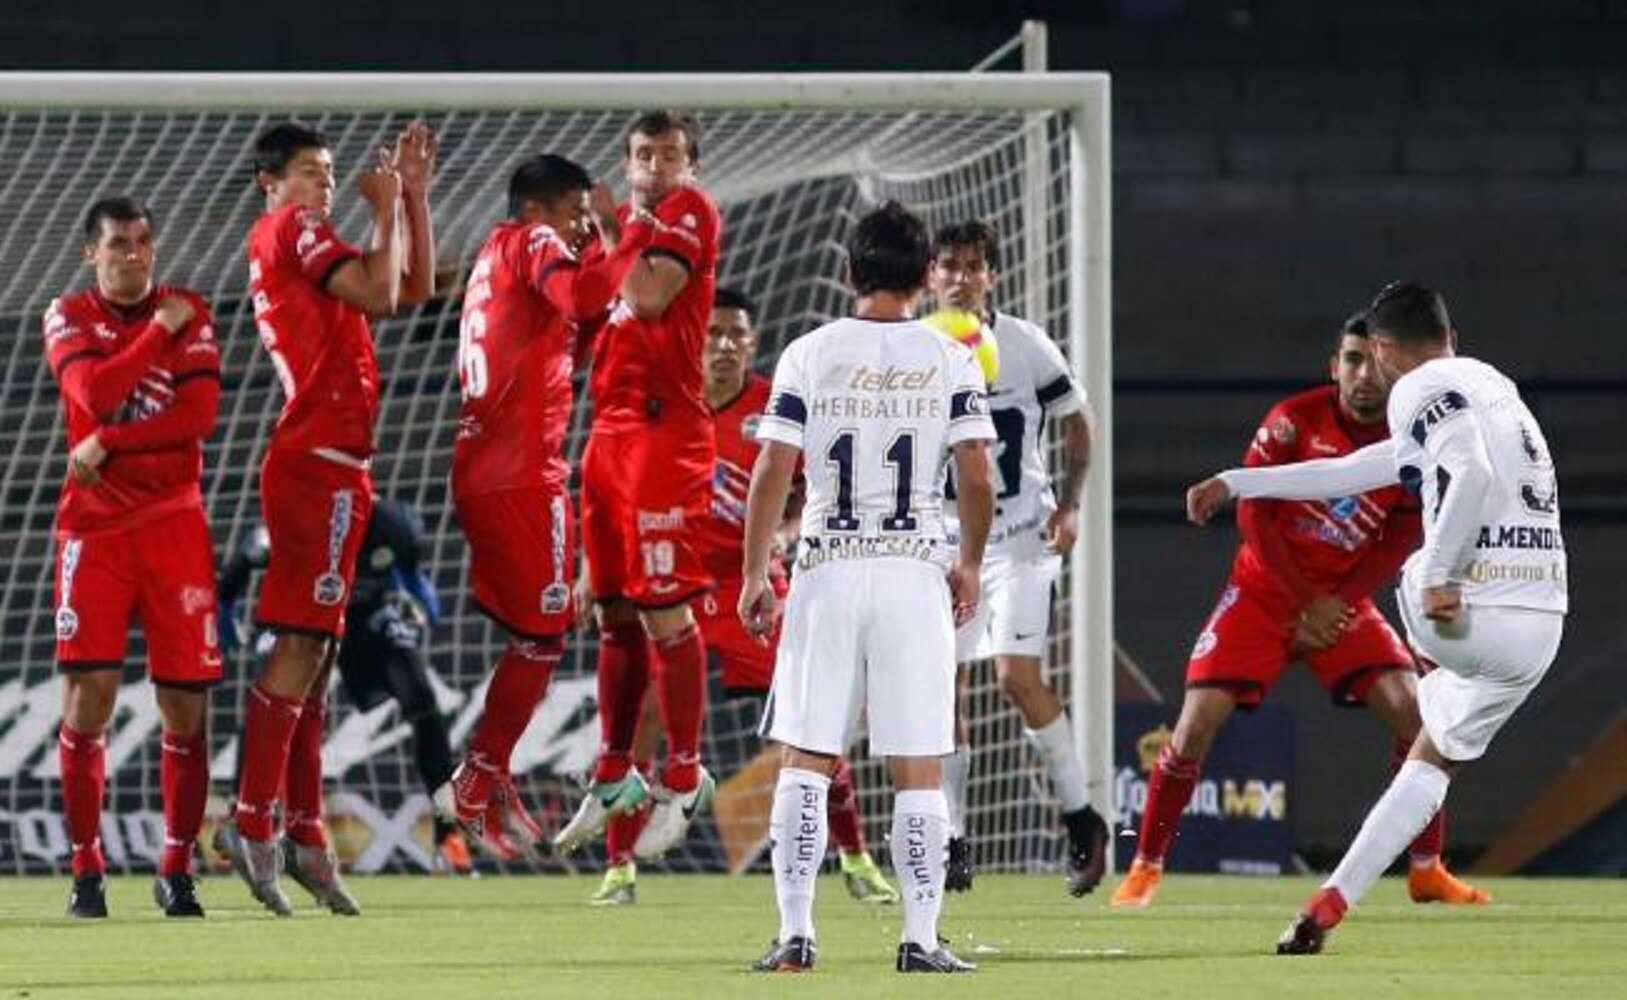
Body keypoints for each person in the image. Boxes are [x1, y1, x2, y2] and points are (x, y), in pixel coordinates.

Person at [1185, 282, 1566, 954]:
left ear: (1384, 348)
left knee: (1410, 567)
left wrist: (1440, 577)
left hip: (1471, 612)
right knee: (1429, 759)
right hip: (1541, 626)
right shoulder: (1486, 383)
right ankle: (1326, 907)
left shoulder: (1418, 387)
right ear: (1450, 335)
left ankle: (1423, 619)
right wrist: (1239, 481)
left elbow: (1469, 472)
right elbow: (1373, 468)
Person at [1112, 313, 1489, 909]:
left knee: (1421, 717)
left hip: (1342, 604)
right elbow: (1253, 515)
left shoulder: (1408, 436)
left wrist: (1342, 599)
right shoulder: (1294, 419)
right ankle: (1145, 866)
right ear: (1332, 366)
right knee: (1191, 728)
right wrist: (1305, 598)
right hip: (1263, 597)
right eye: (1351, 360)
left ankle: (1426, 868)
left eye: (1372, 361)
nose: (1363, 375)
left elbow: (1402, 532)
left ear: (1392, 367)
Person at [741, 201, 995, 974]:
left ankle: (795, 935)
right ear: (926, 276)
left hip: (825, 567)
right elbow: (976, 473)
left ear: (847, 271)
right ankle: (918, 940)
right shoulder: (949, 356)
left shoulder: (807, 353)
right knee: (917, 763)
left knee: (806, 755)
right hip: (913, 567)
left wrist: (755, 570)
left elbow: (772, 469)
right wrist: (971, 564)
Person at [589, 288, 898, 907]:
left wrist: (783, 539)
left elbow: (809, 495)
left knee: (806, 722)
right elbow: (613, 484)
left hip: (751, 583)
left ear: (753, 344)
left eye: (736, 334)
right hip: (675, 581)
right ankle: (619, 867)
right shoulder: (664, 399)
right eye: (713, 333)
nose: (724, 345)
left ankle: (855, 856)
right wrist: (592, 571)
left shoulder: (773, 404)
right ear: (692, 341)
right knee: (645, 717)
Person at [219, 120, 437, 917]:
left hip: (336, 464)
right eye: (310, 171)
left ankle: (307, 834)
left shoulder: (312, 240)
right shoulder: (293, 226)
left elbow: (409, 290)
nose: (322, 184)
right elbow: (383, 290)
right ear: (269, 181)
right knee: (302, 644)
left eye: (329, 172)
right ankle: (250, 823)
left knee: (317, 650)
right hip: (315, 461)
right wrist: (384, 208)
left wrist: (411, 195)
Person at [435, 153, 657, 859]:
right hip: (520, 472)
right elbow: (583, 297)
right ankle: (474, 781)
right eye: (574, 217)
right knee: (545, 635)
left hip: (494, 467)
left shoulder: (498, 254)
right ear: (542, 210)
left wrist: (598, 257)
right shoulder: (530, 240)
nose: (578, 230)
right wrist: (625, 237)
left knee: (535, 635)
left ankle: (484, 775)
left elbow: (576, 328)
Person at [43, 196, 222, 918]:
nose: (135, 255)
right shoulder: (68, 314)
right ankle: (88, 870)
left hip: (175, 527)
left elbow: (197, 418)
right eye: (119, 244)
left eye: (145, 241)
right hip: (94, 531)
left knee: (186, 705)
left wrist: (109, 442)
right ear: (93, 253)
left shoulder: (193, 308)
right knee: (88, 704)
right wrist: (156, 334)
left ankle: (176, 866)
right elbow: (94, 389)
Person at [554, 111, 723, 860]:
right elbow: (598, 312)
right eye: (641, 154)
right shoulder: (625, 232)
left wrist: (613, 221)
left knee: (664, 611)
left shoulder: (687, 212)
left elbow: (650, 295)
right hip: (608, 433)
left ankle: (684, 775)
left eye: (668, 154)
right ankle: (613, 770)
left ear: (689, 164)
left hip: (664, 434)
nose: (653, 165)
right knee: (613, 611)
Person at [929, 220, 1109, 898]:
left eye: (973, 266)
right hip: (946, 541)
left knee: (1015, 676)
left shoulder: (1024, 343)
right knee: (941, 684)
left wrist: (1070, 505)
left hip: (1023, 541)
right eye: (949, 265)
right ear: (932, 276)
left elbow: (1078, 423)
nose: (961, 277)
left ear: (991, 276)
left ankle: (1081, 819)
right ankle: (950, 840)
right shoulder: (918, 348)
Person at [216, 498, 470, 874]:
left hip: (366, 614)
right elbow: (235, 573)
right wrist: (225, 613)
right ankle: (247, 823)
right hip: (303, 614)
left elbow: (410, 572)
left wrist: (420, 595)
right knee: (270, 707)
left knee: (421, 697)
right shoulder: (293, 524)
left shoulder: (394, 527)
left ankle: (448, 833)